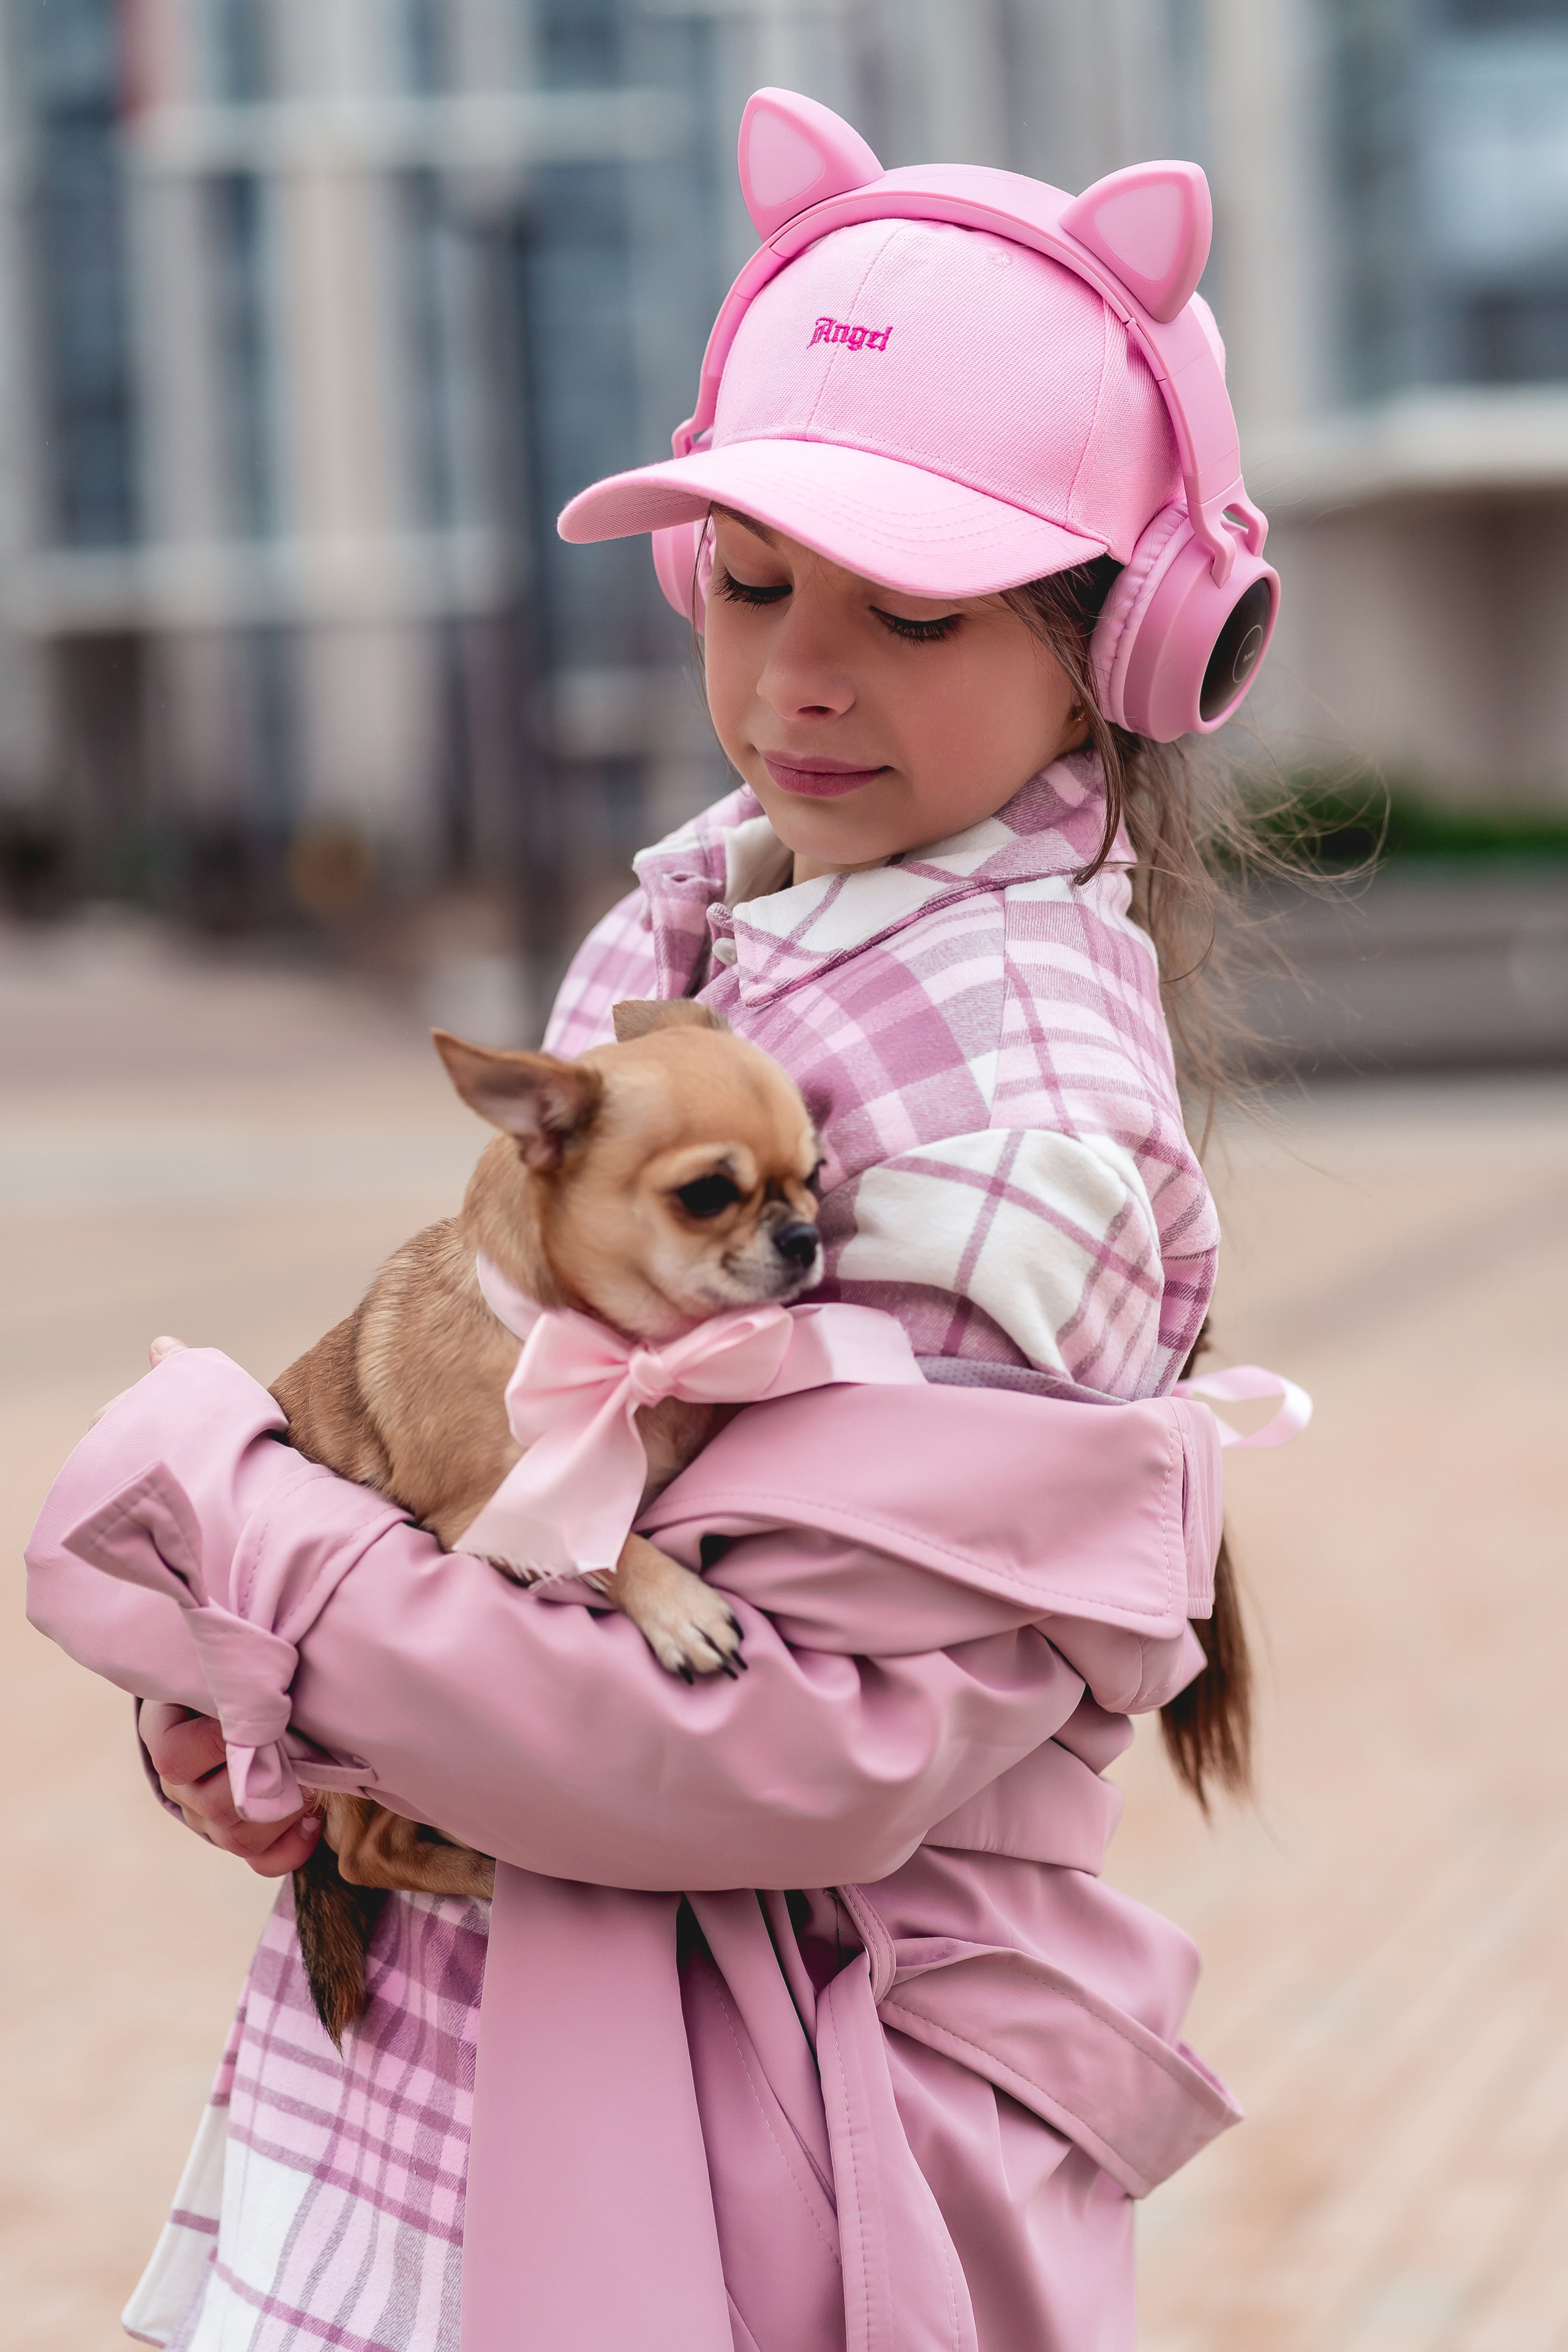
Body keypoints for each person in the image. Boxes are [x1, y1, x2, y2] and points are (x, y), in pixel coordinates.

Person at [27, 91, 1291, 2352]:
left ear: (1125, 641)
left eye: (912, 612)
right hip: (473, 2053)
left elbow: (774, 1751)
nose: (804, 671)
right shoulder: (697, 942)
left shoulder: (1031, 1122)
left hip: (756, 2145)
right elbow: (490, 1454)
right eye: (754, 578)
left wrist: (259, 1567)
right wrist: (261, 1716)